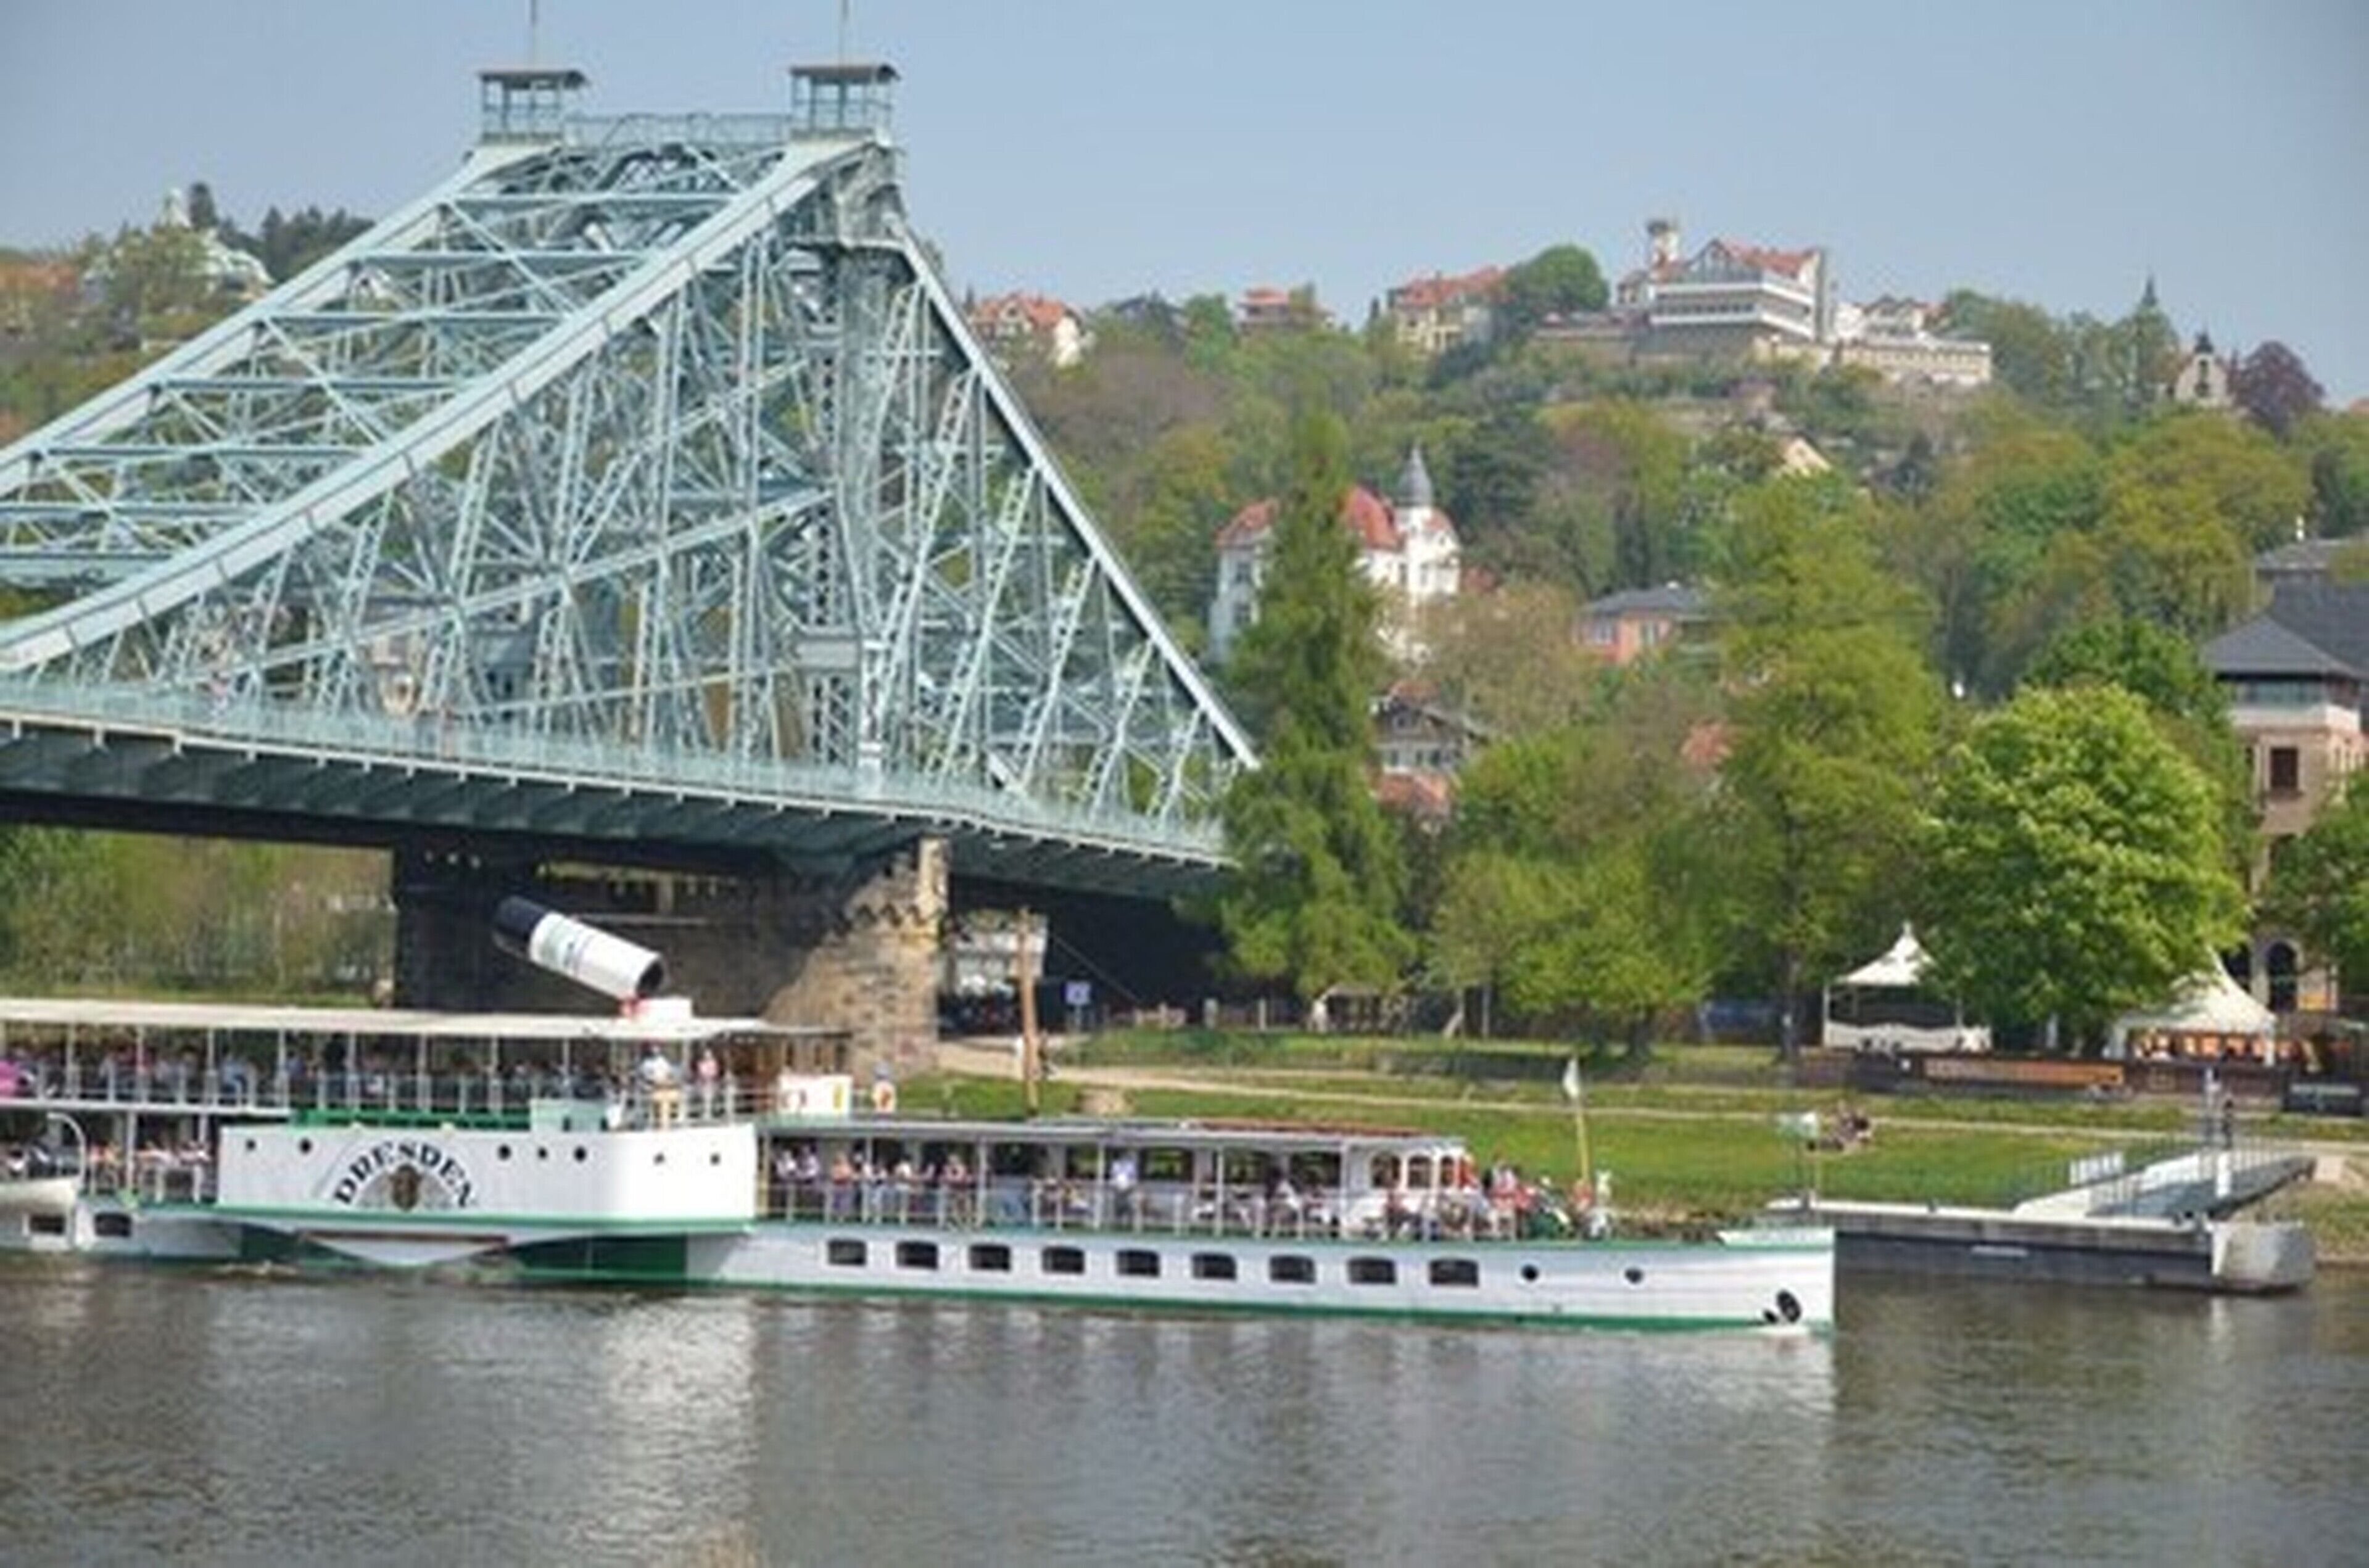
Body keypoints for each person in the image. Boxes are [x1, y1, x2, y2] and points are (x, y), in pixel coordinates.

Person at [639, 1044, 682, 1129]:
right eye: (654, 1049)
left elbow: (668, 1072)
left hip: (663, 1087)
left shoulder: (662, 1060)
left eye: (657, 1049)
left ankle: (673, 1121)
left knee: (676, 1096)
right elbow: (644, 1075)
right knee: (659, 1099)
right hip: (650, 1087)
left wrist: (667, 1078)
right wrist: (652, 1079)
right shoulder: (646, 1063)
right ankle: (656, 1122)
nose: (655, 1051)